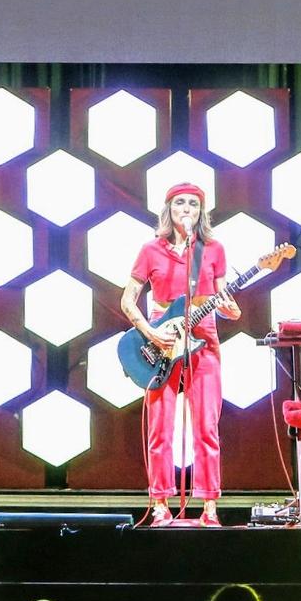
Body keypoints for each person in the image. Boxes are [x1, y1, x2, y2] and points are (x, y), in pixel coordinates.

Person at [120, 183, 241, 526]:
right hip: (162, 339)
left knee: (206, 426)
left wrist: (230, 308)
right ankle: (160, 504)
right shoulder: (150, 250)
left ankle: (209, 507)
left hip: (205, 338)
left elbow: (222, 296)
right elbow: (127, 299)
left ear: (201, 211)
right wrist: (150, 331)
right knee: (161, 427)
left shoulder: (213, 249)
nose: (186, 208)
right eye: (180, 203)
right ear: (169, 209)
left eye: (193, 203)